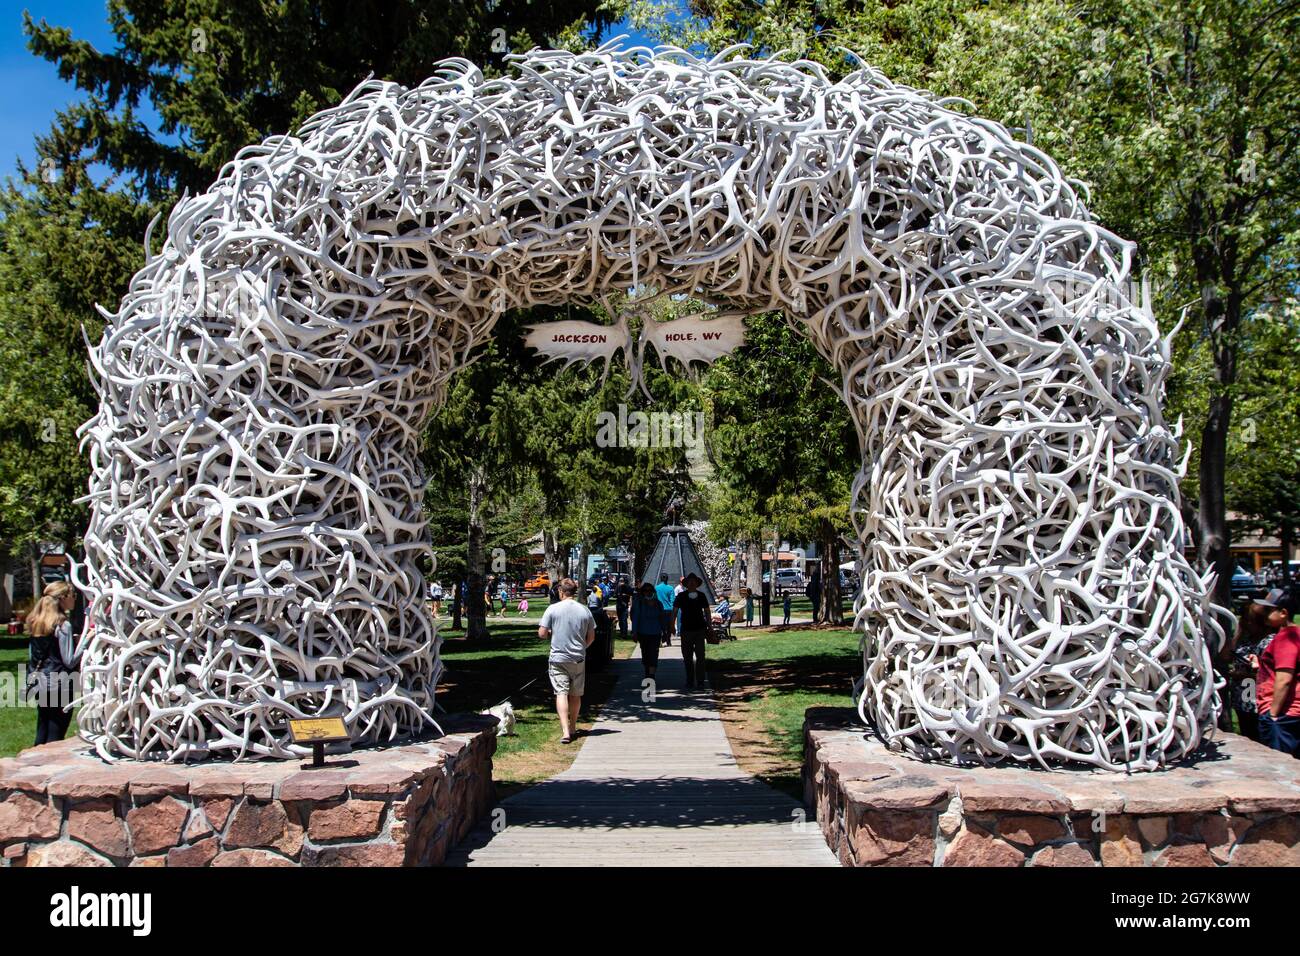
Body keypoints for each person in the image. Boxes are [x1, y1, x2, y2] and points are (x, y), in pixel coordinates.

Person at [538, 578, 595, 745]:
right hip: (578, 658)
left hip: (558, 657)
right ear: (574, 591)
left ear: (561, 592)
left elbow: (542, 633)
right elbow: (591, 636)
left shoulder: (552, 609)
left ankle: (565, 731)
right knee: (576, 694)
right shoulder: (584, 610)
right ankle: (573, 726)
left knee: (561, 693)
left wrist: (548, 633)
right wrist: (582, 647)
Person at [26, 580, 81, 746]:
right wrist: (85, 642)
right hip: (60, 683)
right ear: (63, 598)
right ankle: (50, 766)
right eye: (73, 595)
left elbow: (34, 655)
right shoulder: (63, 625)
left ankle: (36, 763)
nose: (74, 599)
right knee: (56, 731)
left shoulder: (35, 622)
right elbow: (69, 661)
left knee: (43, 726)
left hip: (39, 682)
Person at [1252, 589, 1300, 757]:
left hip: (1284, 715)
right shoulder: (1294, 635)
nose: (1263, 614)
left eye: (1268, 610)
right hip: (1288, 713)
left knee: (1282, 766)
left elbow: (1284, 679)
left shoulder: (1287, 637)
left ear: (1283, 613)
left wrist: (1273, 715)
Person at [1222, 601, 1272, 740]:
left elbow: (1268, 673)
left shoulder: (1269, 641)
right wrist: (1239, 632)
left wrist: (1241, 674)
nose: (1247, 624)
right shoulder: (1246, 640)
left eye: (1250, 621)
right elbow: (1226, 655)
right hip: (1243, 696)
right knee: (1246, 729)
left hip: (1258, 697)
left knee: (1259, 734)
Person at [674, 573, 711, 689]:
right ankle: (689, 680)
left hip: (700, 629)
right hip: (686, 630)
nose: (691, 583)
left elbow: (707, 611)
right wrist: (671, 625)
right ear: (686, 584)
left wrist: (709, 625)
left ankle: (700, 680)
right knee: (687, 657)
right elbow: (674, 611)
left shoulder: (701, 596)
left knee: (701, 656)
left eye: (694, 581)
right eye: (689, 581)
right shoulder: (681, 596)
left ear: (697, 583)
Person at [630, 582, 662, 680]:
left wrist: (665, 631)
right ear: (642, 592)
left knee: (653, 654)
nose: (648, 593)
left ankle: (651, 676)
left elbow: (662, 618)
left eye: (650, 590)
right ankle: (647, 671)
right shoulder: (638, 603)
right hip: (643, 633)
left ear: (653, 592)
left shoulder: (658, 604)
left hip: (655, 633)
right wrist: (634, 632)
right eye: (646, 591)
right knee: (645, 654)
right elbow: (635, 618)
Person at [655, 573, 676, 647]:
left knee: (660, 625)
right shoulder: (670, 588)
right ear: (667, 579)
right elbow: (672, 600)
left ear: (660, 578)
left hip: (659, 610)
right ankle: (668, 641)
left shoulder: (656, 588)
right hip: (668, 609)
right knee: (668, 626)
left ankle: (661, 639)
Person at [616, 576, 634, 640]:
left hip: (624, 606)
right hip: (619, 606)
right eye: (620, 581)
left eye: (622, 581)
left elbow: (632, 593)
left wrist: (626, 595)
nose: (621, 582)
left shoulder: (627, 587)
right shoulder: (618, 587)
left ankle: (624, 634)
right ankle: (622, 633)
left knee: (624, 620)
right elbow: (615, 595)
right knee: (620, 621)